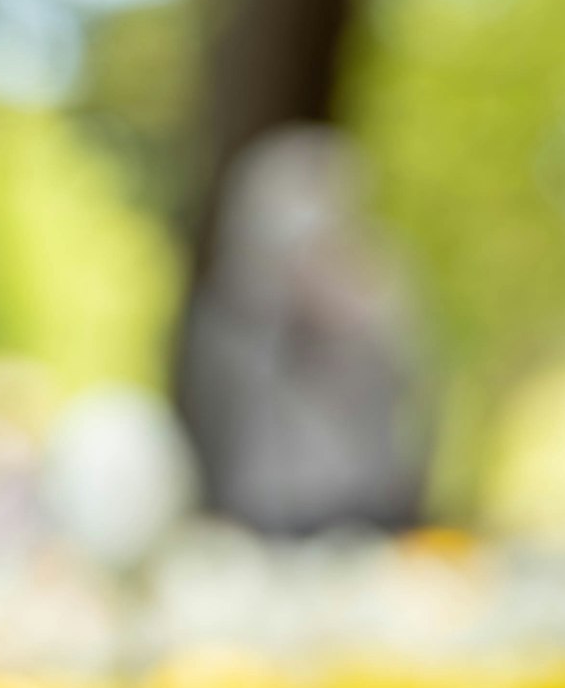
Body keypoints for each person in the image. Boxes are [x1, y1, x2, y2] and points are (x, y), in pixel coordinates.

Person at [181, 128, 425, 537]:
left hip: (364, 503)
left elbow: (407, 393)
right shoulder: (234, 316)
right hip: (268, 509)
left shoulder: (380, 296)